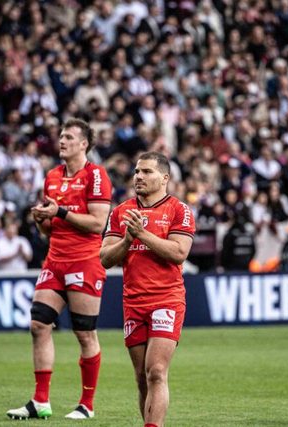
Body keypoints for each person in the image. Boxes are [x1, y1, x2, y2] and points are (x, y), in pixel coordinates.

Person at [7, 118, 112, 420]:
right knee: (38, 324)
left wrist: (61, 212)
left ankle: (87, 405)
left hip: (85, 261)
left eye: (69, 137)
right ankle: (40, 401)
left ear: (84, 144)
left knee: (84, 334)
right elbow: (50, 230)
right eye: (61, 136)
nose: (62, 141)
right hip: (55, 261)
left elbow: (97, 224)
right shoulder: (52, 176)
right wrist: (42, 220)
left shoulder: (96, 175)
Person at [100, 151, 196, 427]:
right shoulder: (121, 212)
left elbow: (179, 252)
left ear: (164, 178)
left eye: (147, 171)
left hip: (167, 299)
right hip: (133, 302)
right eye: (137, 171)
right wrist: (127, 240)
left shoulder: (179, 210)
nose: (139, 176)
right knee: (142, 377)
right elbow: (105, 258)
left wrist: (142, 234)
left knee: (156, 371)